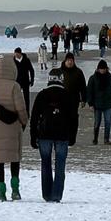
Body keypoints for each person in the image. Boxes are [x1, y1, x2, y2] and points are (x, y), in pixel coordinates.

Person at [0, 56, 29, 201]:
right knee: (14, 159)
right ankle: (15, 190)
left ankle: (1, 192)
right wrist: (24, 122)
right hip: (13, 128)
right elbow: (21, 108)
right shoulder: (14, 86)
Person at [30, 74, 79, 203]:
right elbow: (74, 118)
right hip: (62, 135)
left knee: (45, 163)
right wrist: (73, 136)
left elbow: (34, 117)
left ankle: (47, 194)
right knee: (60, 164)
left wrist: (33, 136)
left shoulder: (42, 95)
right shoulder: (68, 96)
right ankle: (57, 195)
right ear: (62, 80)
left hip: (44, 134)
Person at [87, 59, 111, 145]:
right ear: (98, 69)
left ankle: (106, 139)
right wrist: (90, 104)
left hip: (108, 105)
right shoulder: (93, 78)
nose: (103, 70)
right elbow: (89, 91)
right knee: (97, 123)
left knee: (108, 122)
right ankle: (95, 138)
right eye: (101, 69)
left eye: (104, 69)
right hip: (97, 105)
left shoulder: (110, 78)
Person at [12, 48, 35, 113]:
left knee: (26, 98)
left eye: (17, 53)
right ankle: (17, 111)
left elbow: (31, 70)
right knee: (16, 97)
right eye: (15, 53)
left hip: (25, 81)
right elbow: (11, 71)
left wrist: (32, 79)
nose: (15, 55)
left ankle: (27, 112)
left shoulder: (26, 60)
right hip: (17, 82)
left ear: (20, 53)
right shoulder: (13, 61)